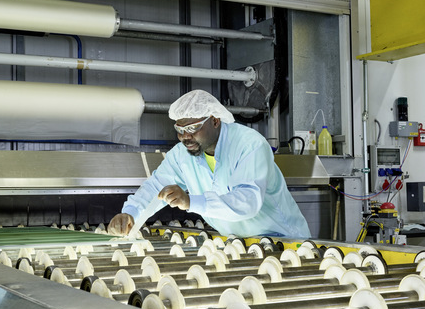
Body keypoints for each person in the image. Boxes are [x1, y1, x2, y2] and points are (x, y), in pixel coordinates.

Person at [108, 90, 310, 238]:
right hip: (238, 244)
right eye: (180, 129)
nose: (185, 137)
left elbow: (247, 201)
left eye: (193, 127)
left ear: (214, 120)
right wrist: (130, 214)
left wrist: (191, 201)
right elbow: (156, 187)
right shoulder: (182, 155)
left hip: (283, 241)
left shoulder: (249, 144)